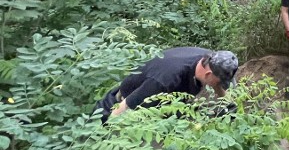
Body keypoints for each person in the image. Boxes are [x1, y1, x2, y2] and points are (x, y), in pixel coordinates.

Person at [96, 48, 239, 123]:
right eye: (221, 82)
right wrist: (108, 133)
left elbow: (216, 85)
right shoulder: (166, 80)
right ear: (208, 74)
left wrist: (228, 104)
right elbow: (125, 106)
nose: (221, 86)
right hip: (127, 106)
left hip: (165, 104)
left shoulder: (209, 59)